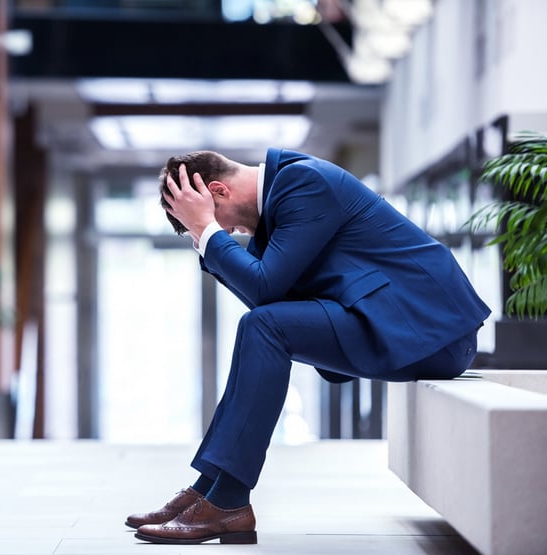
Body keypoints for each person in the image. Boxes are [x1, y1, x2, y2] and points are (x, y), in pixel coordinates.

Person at [126, 148, 490, 545]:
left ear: (218, 191)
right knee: (262, 326)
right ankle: (209, 490)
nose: (225, 234)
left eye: (212, 220)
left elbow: (264, 290)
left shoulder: (304, 184)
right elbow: (266, 297)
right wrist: (207, 236)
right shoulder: (279, 213)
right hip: (394, 323)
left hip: (431, 330)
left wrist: (210, 234)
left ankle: (227, 499)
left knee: (262, 327)